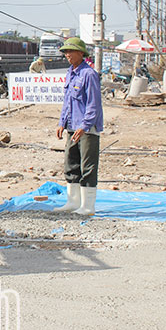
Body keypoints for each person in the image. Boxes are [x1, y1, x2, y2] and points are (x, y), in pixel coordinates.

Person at [54, 37, 103, 215]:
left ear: (81, 53)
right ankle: (73, 202)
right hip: (72, 126)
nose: (67, 55)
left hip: (87, 129)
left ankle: (88, 206)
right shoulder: (70, 73)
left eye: (70, 51)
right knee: (71, 163)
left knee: (87, 166)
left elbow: (93, 104)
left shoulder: (89, 74)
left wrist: (85, 125)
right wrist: (62, 123)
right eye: (65, 52)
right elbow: (67, 102)